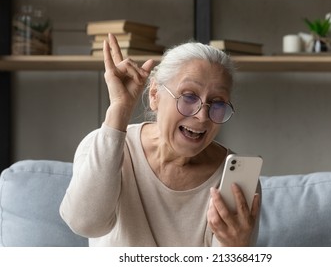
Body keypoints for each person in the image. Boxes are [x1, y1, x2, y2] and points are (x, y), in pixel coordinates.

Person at [60, 33, 261, 247]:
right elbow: (85, 224)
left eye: (218, 103)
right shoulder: (103, 145)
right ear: (154, 94)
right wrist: (120, 109)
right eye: (189, 96)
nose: (202, 115)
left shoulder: (236, 180)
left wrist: (237, 249)